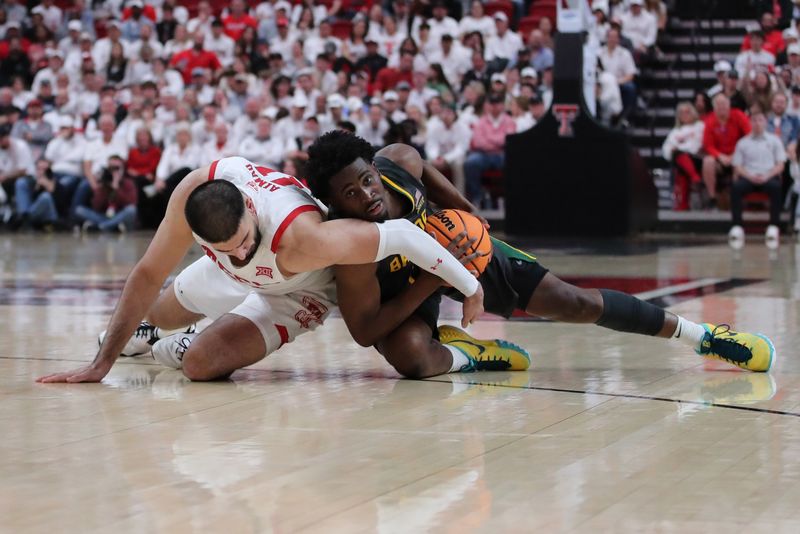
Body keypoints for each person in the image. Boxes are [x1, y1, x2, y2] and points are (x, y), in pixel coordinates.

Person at [304, 131, 776, 378]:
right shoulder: (348, 245)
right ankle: (468, 355)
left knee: (576, 303)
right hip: (409, 287)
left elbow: (413, 157)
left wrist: (468, 214)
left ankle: (702, 336)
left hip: (456, 248)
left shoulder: (393, 170)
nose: (366, 194)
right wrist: (436, 277)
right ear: (334, 203)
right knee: (410, 358)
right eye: (350, 192)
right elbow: (365, 332)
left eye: (365, 178)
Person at [36, 156, 486, 384]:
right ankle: (157, 332)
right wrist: (101, 364)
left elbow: (404, 237)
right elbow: (147, 272)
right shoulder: (196, 192)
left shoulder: (305, 237)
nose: (241, 251)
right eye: (225, 248)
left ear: (251, 208)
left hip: (298, 288)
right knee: (153, 310)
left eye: (245, 242)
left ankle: (186, 342)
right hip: (232, 276)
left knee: (199, 366)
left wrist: (469, 286)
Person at [728, 107, 786, 250]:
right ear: (750, 122)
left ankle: (773, 226)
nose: (757, 123)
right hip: (749, 176)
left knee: (776, 187)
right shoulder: (743, 142)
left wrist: (767, 175)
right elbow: (737, 166)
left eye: (760, 120)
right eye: (754, 120)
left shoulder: (774, 141)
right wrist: (749, 176)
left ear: (765, 122)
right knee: (736, 187)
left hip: (768, 176)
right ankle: (737, 226)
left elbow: (780, 165)